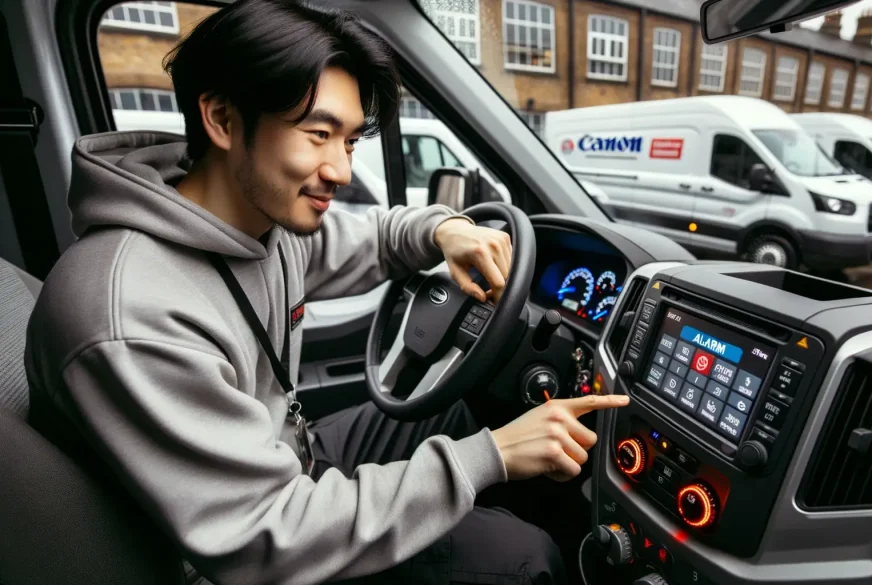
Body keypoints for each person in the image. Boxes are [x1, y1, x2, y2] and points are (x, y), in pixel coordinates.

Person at [23, 1, 630, 584]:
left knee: (455, 407)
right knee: (523, 555)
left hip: (284, 460)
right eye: (318, 134)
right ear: (223, 119)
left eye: (350, 141)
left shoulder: (256, 222)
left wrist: (444, 229)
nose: (340, 170)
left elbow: (374, 240)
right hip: (232, 553)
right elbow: (262, 535)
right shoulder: (133, 312)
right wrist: (489, 456)